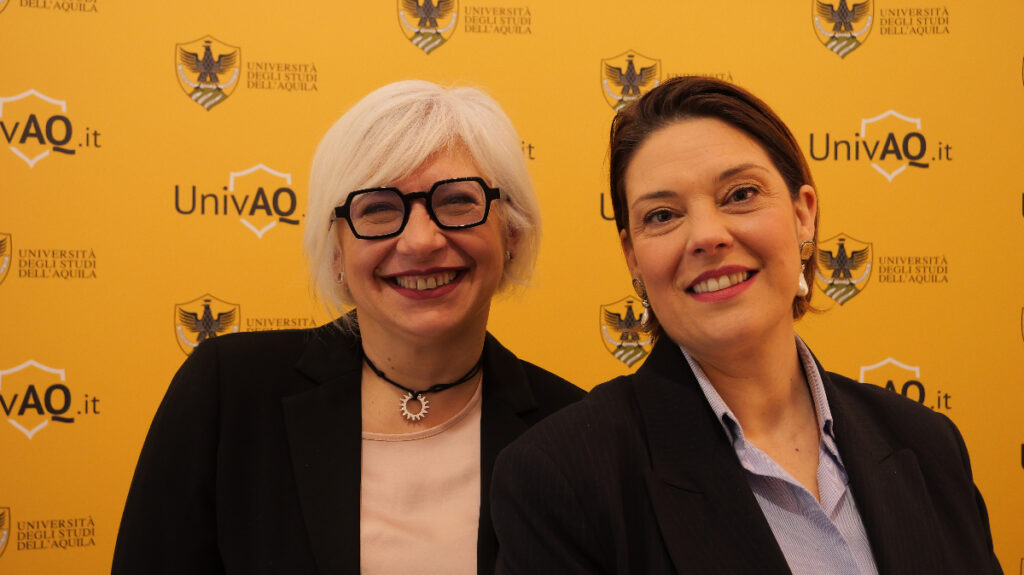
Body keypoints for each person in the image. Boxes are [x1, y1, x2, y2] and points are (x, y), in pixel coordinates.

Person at [490, 76, 1002, 574]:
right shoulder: (562, 478)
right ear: (633, 258)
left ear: (803, 216)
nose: (707, 236)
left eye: (740, 194)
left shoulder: (928, 444)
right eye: (663, 215)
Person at [112, 80, 583, 574]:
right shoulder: (228, 394)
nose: (420, 241)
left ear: (511, 233)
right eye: (378, 208)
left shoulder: (572, 431)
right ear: (335, 250)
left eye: (457, 201)